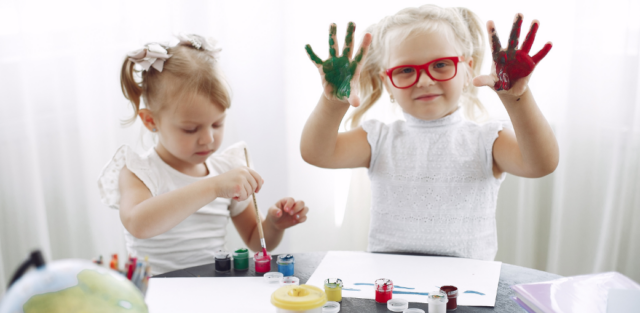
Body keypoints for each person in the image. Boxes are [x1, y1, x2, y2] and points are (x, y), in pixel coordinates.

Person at [301, 6, 558, 260]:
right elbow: (317, 153)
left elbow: (541, 164)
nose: (424, 80)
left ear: (467, 70)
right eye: (405, 70)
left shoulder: (486, 140)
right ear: (388, 82)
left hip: (466, 288)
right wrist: (333, 101)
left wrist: (517, 98)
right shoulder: (377, 139)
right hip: (390, 288)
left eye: (441, 65)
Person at [98, 34, 308, 274]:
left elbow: (255, 240)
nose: (208, 138)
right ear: (150, 121)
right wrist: (213, 187)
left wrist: (273, 224)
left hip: (212, 292)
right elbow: (138, 224)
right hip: (158, 297)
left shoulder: (226, 170)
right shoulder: (139, 172)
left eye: (217, 124)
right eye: (191, 129)